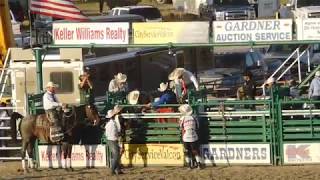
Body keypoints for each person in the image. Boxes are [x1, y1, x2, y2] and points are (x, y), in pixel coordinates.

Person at [179, 104, 202, 169]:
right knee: (195, 150)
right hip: (194, 135)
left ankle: (189, 166)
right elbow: (198, 126)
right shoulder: (194, 117)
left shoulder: (182, 119)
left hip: (186, 137)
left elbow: (181, 128)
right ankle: (198, 164)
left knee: (186, 151)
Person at [105, 105, 124, 175]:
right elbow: (116, 132)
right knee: (116, 155)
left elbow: (107, 133)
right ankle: (112, 170)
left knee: (116, 155)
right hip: (112, 140)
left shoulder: (110, 124)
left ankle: (117, 170)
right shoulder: (113, 123)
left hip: (111, 140)